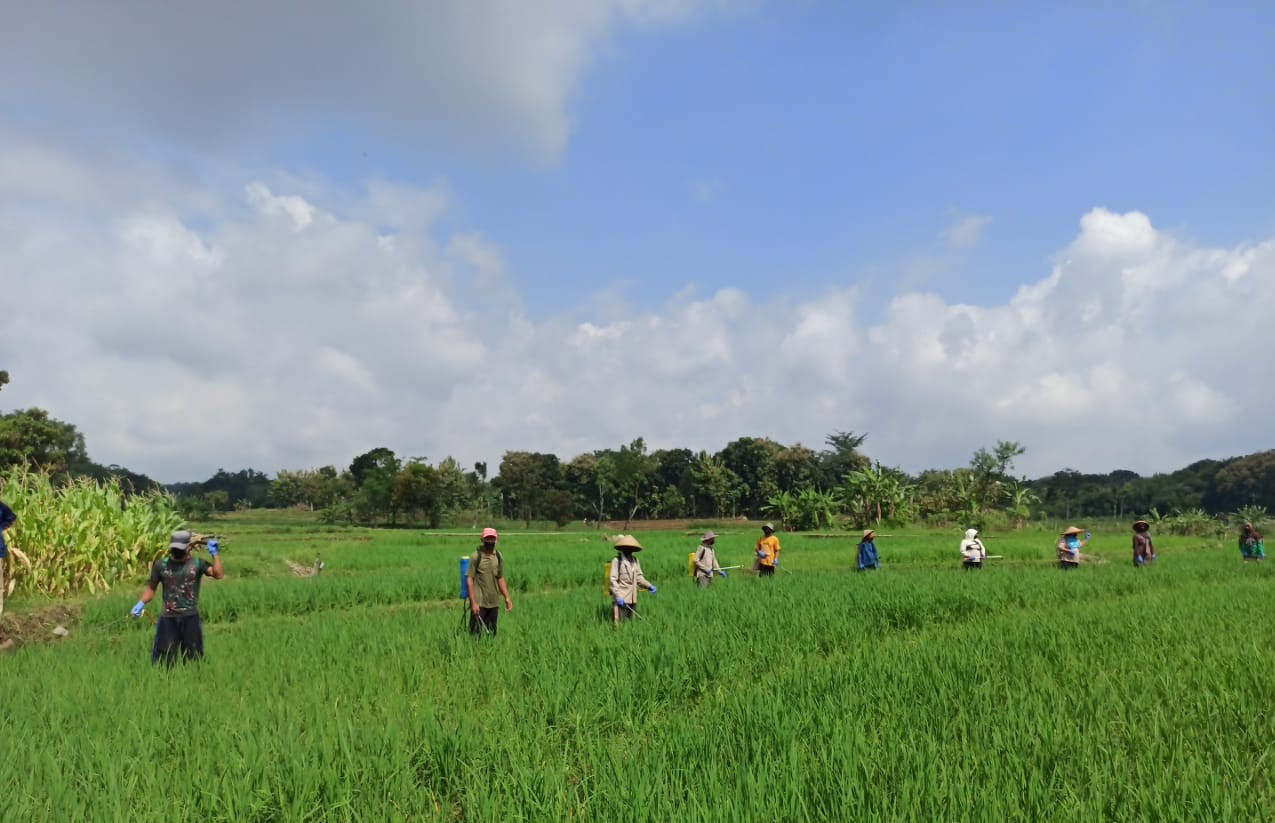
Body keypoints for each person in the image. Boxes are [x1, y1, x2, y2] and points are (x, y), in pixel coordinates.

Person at [130, 530, 224, 665]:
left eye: (180, 548)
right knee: (164, 659)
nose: (176, 551)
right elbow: (151, 589)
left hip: (190, 617)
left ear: (188, 547)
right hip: (168, 618)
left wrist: (215, 555)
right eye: (174, 548)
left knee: (194, 658)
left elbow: (218, 575)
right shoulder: (161, 565)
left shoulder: (198, 564)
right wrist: (141, 603)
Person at [467, 527, 513, 636]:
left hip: (494, 602)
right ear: (482, 540)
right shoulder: (476, 557)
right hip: (479, 603)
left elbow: (500, 577)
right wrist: (473, 603)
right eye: (488, 539)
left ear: (496, 540)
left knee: (491, 634)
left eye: (492, 539)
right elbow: (469, 580)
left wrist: (507, 597)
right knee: (475, 635)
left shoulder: (498, 556)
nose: (490, 541)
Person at [610, 534, 656, 624]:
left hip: (632, 598)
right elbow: (613, 580)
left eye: (631, 548)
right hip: (621, 599)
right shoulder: (617, 561)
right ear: (623, 548)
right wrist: (619, 597)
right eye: (627, 547)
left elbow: (639, 577)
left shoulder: (635, 560)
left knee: (630, 622)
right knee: (619, 623)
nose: (629, 549)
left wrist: (649, 586)